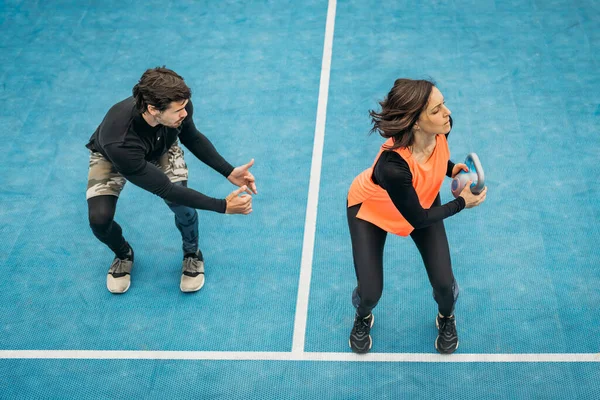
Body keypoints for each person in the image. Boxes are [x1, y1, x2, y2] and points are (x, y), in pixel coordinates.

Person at [86, 67, 257, 294]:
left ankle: (192, 253)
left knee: (183, 207)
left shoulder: (178, 107)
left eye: (185, 106)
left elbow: (192, 137)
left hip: (162, 144)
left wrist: (228, 171)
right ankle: (123, 254)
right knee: (99, 220)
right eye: (178, 110)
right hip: (117, 158)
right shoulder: (119, 141)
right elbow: (165, 189)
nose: (184, 113)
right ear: (153, 109)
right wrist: (223, 206)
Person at [346, 79, 487, 354]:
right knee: (371, 291)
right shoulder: (393, 167)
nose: (446, 112)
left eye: (443, 104)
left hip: (418, 199)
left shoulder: (442, 128)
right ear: (416, 123)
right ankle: (362, 315)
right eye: (436, 110)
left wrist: (451, 169)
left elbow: (431, 155)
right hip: (372, 210)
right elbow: (419, 220)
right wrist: (461, 203)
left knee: (445, 285)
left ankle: (446, 317)